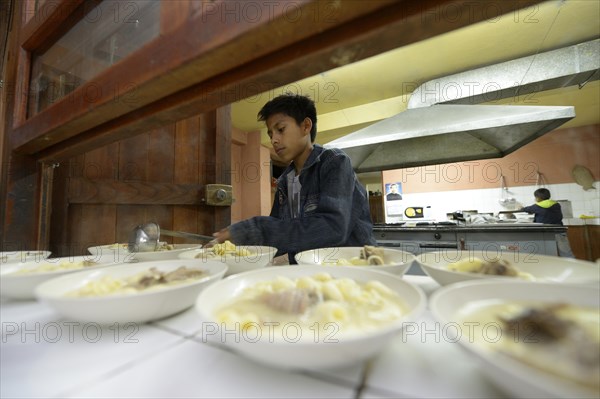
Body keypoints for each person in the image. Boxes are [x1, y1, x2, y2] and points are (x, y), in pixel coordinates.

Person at [212, 93, 377, 263]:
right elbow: (279, 235)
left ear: (306, 126)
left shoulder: (334, 162)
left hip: (352, 269)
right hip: (308, 271)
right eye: (270, 134)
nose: (274, 140)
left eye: (281, 129)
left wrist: (253, 229)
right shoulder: (285, 181)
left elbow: (332, 228)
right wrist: (232, 248)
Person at [520, 188, 575, 258]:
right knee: (566, 252)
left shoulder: (538, 206)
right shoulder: (556, 204)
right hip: (559, 230)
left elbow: (526, 209)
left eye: (535, 197)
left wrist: (521, 208)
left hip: (546, 233)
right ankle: (572, 266)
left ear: (538, 198)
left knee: (548, 253)